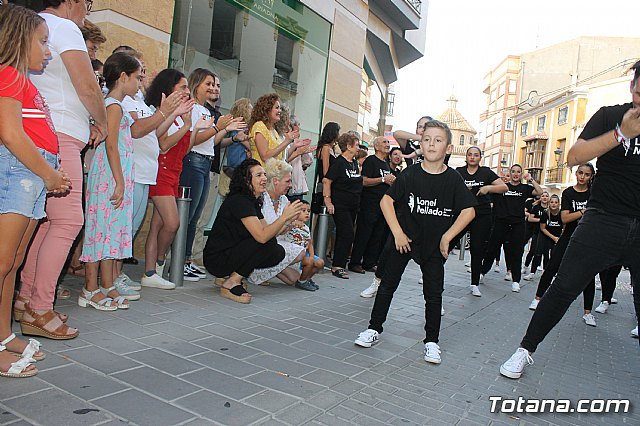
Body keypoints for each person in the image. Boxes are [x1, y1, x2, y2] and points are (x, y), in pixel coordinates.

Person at [499, 61, 640, 380]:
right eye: (638, 91)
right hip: (604, 219)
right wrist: (621, 134)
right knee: (563, 286)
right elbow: (574, 157)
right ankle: (524, 350)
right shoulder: (610, 116)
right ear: (631, 87)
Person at [354, 120, 477, 364]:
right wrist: (398, 233)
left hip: (432, 246)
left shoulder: (453, 179)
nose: (432, 144)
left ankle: (432, 341)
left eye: (438, 140)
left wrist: (447, 236)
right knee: (387, 284)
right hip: (404, 240)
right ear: (421, 144)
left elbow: (469, 211)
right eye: (428, 139)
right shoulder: (410, 173)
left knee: (433, 294)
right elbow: (386, 202)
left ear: (448, 148)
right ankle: (374, 329)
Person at [18, 0, 106, 339]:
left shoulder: (30, 24)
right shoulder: (64, 27)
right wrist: (101, 122)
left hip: (39, 133)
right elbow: (87, 86)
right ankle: (39, 307)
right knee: (69, 220)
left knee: (45, 221)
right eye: (87, 3)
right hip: (60, 136)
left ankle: (26, 299)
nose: (87, 10)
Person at [0, 3, 71, 377]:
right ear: (18, 38)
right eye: (43, 42)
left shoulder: (22, 80)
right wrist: (49, 174)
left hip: (31, 174)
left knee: (12, 263)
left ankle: (3, 334)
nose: (48, 50)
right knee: (1, 261)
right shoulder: (9, 74)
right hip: (21, 173)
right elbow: (10, 134)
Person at [78, 52, 143, 310]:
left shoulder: (116, 106)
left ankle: (107, 284)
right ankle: (90, 287)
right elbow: (111, 146)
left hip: (115, 174)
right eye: (137, 77)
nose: (140, 82)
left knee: (111, 230)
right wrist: (119, 181)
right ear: (123, 76)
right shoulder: (113, 106)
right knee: (99, 229)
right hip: (108, 175)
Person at [203, 159, 304, 303]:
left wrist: (287, 221)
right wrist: (283, 218)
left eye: (264, 174)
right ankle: (232, 282)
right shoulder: (240, 201)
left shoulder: (252, 201)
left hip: (230, 253)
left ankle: (232, 276)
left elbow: (269, 232)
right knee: (267, 243)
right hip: (217, 259)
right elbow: (262, 237)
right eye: (258, 175)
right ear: (246, 180)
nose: (264, 178)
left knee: (277, 250)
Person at [180, 68, 238, 281]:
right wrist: (219, 127)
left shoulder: (204, 111)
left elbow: (211, 142)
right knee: (187, 217)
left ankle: (186, 259)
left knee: (195, 217)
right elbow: (192, 140)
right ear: (197, 85)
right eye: (208, 84)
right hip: (193, 161)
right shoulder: (193, 109)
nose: (213, 88)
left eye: (215, 85)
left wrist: (224, 129)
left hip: (205, 163)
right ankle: (180, 260)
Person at [141, 69, 196, 289]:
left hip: (174, 172)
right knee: (172, 223)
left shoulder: (179, 115)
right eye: (182, 87)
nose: (186, 91)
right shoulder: (161, 112)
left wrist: (189, 125)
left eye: (187, 87)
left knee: (159, 225)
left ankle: (152, 271)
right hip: (161, 173)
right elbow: (163, 144)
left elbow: (183, 150)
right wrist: (184, 124)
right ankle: (158, 263)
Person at [455, 146, 508, 297]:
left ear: (480, 158)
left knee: (477, 249)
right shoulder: (459, 171)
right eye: (470, 155)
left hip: (482, 214)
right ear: (466, 157)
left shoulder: (485, 172)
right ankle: (433, 274)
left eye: (476, 155)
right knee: (450, 241)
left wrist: (488, 188)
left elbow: (504, 187)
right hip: (462, 212)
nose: (472, 157)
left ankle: (474, 283)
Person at [481, 164, 543, 292]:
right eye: (513, 171)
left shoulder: (525, 188)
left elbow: (540, 192)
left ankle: (515, 281)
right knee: (492, 248)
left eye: (518, 172)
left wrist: (531, 179)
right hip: (501, 222)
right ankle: (482, 273)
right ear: (510, 173)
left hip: (517, 224)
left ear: (521, 174)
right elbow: (489, 192)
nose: (515, 174)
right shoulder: (503, 187)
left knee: (517, 252)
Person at [249, 159, 306, 287]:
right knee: (301, 253)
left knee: (293, 279)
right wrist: (286, 221)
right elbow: (266, 233)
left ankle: (260, 271)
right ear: (275, 181)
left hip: (278, 243)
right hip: (261, 243)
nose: (290, 185)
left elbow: (282, 231)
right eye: (287, 181)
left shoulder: (284, 200)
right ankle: (255, 269)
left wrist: (291, 223)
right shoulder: (260, 199)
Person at [349, 136, 396, 274]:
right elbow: (364, 181)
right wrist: (383, 179)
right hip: (369, 204)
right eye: (384, 142)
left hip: (382, 205)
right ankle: (355, 262)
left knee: (377, 235)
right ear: (376, 146)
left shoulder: (385, 163)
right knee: (364, 234)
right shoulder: (371, 161)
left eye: (388, 142)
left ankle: (369, 262)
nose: (387, 144)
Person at [323, 132, 364, 279]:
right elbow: (327, 180)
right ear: (348, 146)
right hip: (340, 204)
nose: (358, 147)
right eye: (357, 144)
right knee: (346, 232)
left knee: (346, 233)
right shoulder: (339, 163)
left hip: (353, 204)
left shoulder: (353, 163)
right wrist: (328, 200)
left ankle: (340, 262)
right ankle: (337, 265)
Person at [282, 200, 324, 290]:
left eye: (308, 211)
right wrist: (292, 224)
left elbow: (310, 243)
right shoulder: (290, 224)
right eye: (303, 210)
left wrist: (312, 256)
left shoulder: (306, 228)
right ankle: (301, 282)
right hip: (293, 255)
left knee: (320, 263)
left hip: (305, 254)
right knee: (309, 262)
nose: (307, 213)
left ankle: (306, 279)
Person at [249, 93, 294, 166]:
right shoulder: (259, 126)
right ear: (267, 109)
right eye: (277, 108)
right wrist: (286, 142)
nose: (280, 111)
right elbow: (265, 156)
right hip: (263, 172)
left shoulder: (273, 129)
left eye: (279, 108)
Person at [284, 114, 315, 202]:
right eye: (295, 129)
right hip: (287, 183)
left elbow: (307, 163)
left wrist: (306, 151)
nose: (298, 131)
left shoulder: (297, 142)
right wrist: (298, 151)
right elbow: (284, 160)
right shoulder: (284, 142)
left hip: (297, 184)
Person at [522, 191, 549, 278]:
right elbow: (530, 218)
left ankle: (545, 271)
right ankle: (526, 267)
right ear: (540, 198)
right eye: (543, 196)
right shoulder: (536, 207)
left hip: (547, 234)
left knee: (545, 253)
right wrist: (541, 220)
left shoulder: (550, 209)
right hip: (536, 232)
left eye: (546, 196)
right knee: (533, 251)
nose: (545, 198)